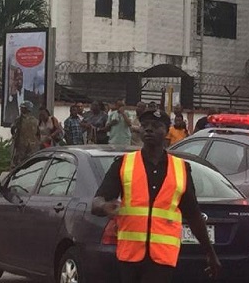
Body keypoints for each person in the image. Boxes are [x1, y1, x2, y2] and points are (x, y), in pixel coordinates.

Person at [91, 109, 221, 283]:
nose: (148, 129)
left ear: (167, 131)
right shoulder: (124, 164)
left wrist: (210, 253)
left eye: (156, 126)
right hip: (130, 256)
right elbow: (97, 201)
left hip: (162, 257)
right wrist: (104, 207)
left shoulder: (181, 169)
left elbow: (193, 215)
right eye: (145, 126)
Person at [10, 101, 40, 168]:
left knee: (18, 163)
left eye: (22, 108)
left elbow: (12, 128)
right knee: (30, 162)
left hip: (22, 145)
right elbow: (38, 134)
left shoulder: (19, 119)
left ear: (27, 109)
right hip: (31, 145)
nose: (21, 109)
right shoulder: (35, 120)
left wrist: (14, 136)